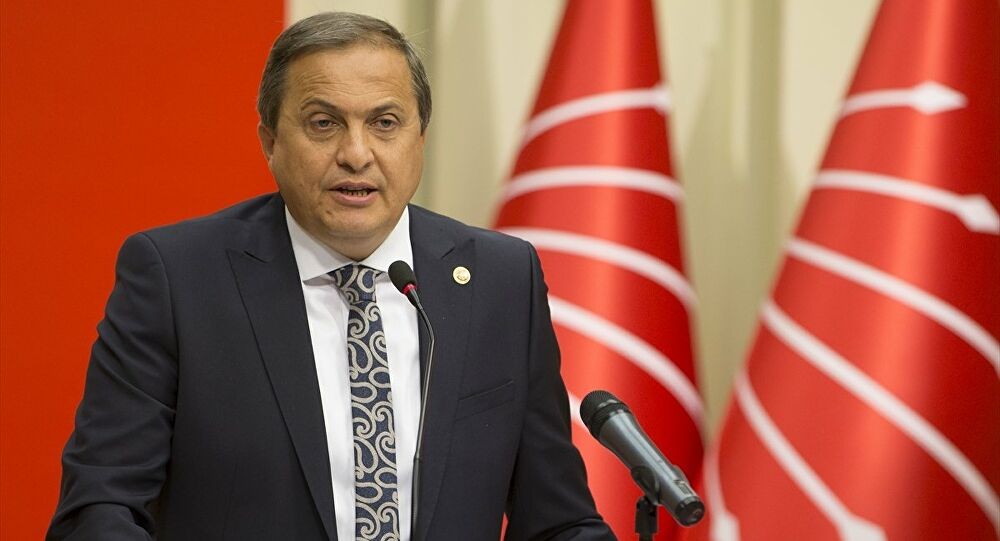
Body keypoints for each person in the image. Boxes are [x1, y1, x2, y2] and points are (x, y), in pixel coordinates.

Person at [47, 11, 615, 541]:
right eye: (324, 124)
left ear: (420, 139)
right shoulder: (178, 278)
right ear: (270, 141)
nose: (356, 153)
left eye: (385, 123)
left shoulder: (501, 281)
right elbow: (100, 505)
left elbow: (558, 521)